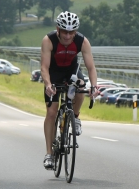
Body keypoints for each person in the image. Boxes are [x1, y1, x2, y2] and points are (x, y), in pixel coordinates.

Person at [40, 11, 98, 169]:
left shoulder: (82, 41)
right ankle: (49, 153)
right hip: (53, 73)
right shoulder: (49, 40)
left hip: (71, 72)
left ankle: (76, 116)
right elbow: (44, 67)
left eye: (71, 32)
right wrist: (48, 84)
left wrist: (94, 86)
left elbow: (91, 67)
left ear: (76, 31)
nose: (67, 36)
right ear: (57, 29)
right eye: (64, 31)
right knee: (51, 113)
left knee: (80, 86)